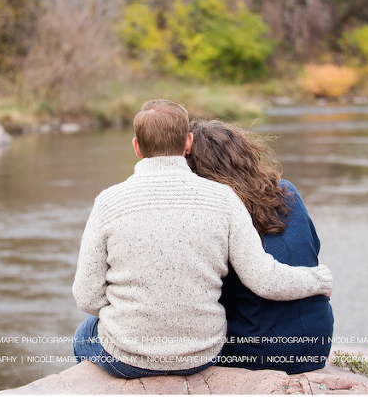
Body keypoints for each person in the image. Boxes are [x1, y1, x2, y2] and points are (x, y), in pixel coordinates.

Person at [72, 99, 333, 379]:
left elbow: (87, 297)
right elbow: (270, 275)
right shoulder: (259, 195)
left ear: (136, 147)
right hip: (283, 348)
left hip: (230, 352)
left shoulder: (108, 202)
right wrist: (319, 280)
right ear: (187, 142)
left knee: (85, 333)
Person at [185, 119, 334, 374]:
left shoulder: (217, 214)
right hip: (317, 344)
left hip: (260, 351)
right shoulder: (287, 191)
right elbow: (313, 249)